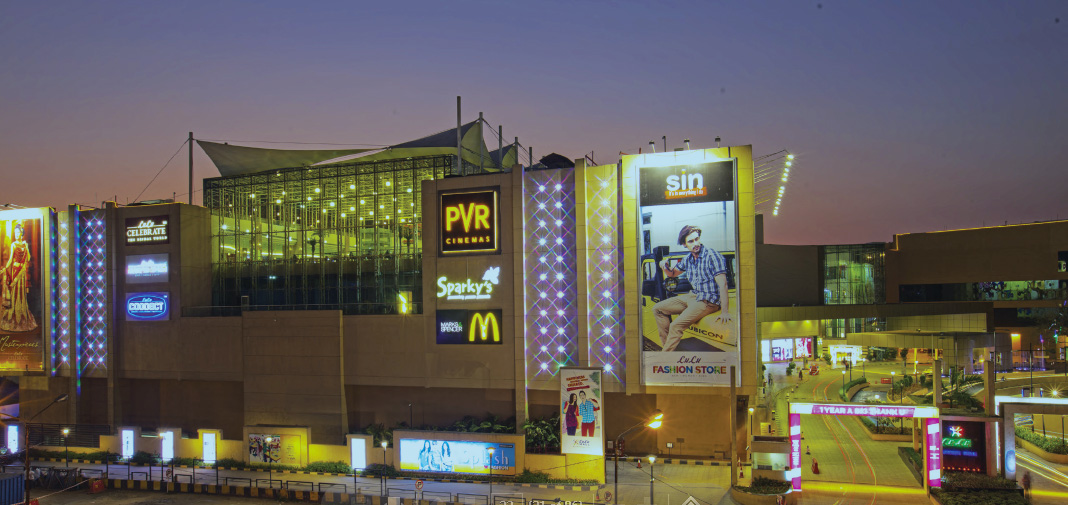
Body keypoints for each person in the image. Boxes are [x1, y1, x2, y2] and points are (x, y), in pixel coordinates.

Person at [654, 225, 731, 352]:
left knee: (675, 326)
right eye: (691, 241)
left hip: (708, 301)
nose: (696, 243)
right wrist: (665, 266)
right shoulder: (688, 259)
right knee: (657, 309)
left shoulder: (712, 256)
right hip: (693, 296)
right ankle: (669, 350)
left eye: (697, 239)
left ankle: (665, 357)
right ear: (684, 244)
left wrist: (725, 311)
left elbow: (723, 284)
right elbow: (672, 274)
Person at [1, 223, 38, 332]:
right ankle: (13, 317)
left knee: (21, 295)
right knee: (14, 293)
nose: (16, 234)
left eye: (18, 232)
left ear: (22, 233)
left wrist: (27, 247)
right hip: (15, 272)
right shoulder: (13, 245)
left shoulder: (25, 245)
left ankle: (22, 316)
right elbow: (10, 260)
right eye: (15, 233)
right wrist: (4, 269)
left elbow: (28, 258)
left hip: (22, 273)